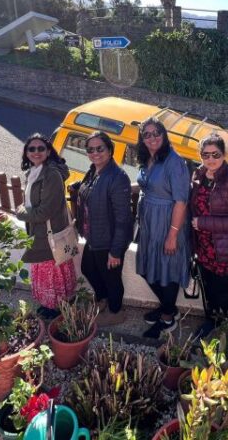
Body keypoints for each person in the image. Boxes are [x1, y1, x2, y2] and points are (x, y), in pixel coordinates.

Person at [189, 133, 228, 337]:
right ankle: (211, 321)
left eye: (215, 154)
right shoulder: (198, 175)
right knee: (207, 288)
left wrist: (203, 223)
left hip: (226, 249)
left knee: (221, 292)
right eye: (205, 155)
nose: (210, 159)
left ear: (223, 155)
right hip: (204, 246)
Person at [135, 117, 191, 339]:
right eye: (146, 134)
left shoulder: (174, 162)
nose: (152, 137)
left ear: (164, 134)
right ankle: (169, 307)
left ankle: (168, 319)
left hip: (168, 222)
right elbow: (147, 185)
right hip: (149, 222)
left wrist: (173, 235)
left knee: (167, 269)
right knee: (150, 268)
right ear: (141, 138)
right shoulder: (147, 158)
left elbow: (181, 201)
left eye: (156, 132)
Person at [71, 131, 133, 326]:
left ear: (110, 150)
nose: (95, 153)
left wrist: (115, 251)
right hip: (94, 234)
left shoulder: (118, 177)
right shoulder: (94, 171)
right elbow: (94, 191)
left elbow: (123, 218)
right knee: (88, 268)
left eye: (100, 149)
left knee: (111, 277)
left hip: (110, 239)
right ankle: (103, 298)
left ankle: (116, 311)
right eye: (90, 149)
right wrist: (78, 186)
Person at [15, 133, 76, 319]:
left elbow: (44, 212)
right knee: (48, 271)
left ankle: (56, 307)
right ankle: (52, 304)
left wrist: (20, 212)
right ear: (26, 153)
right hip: (41, 232)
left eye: (41, 148)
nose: (36, 152)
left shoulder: (52, 175)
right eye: (31, 149)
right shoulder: (34, 172)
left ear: (49, 152)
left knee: (52, 272)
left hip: (50, 233)